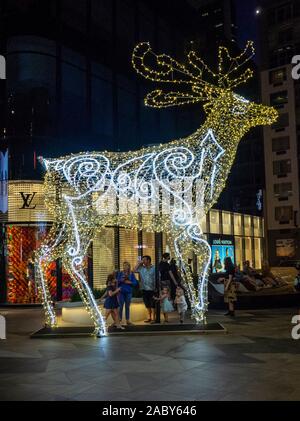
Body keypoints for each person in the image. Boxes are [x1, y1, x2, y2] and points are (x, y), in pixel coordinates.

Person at [134, 255, 156, 323]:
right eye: (142, 260)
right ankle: (149, 317)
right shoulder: (141, 268)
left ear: (148, 260)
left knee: (153, 304)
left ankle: (153, 318)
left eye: (144, 260)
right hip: (144, 288)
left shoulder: (154, 268)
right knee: (147, 304)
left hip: (153, 288)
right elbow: (134, 270)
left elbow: (158, 277)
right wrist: (138, 263)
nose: (143, 261)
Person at [117, 261, 138, 326]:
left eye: (126, 266)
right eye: (124, 265)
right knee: (120, 306)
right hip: (121, 292)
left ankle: (127, 320)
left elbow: (135, 283)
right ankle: (119, 320)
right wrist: (121, 280)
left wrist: (129, 282)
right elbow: (117, 282)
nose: (125, 267)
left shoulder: (131, 274)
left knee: (127, 306)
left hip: (128, 292)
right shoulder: (120, 273)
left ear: (129, 267)